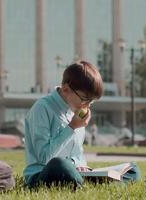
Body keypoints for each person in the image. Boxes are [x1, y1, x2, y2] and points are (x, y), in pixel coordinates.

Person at [23, 60, 103, 189]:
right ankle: (87, 184)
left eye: (91, 102)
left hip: (71, 172)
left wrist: (81, 164)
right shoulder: (42, 108)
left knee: (132, 170)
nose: (87, 106)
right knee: (59, 164)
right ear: (66, 90)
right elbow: (44, 158)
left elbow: (77, 154)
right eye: (84, 99)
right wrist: (71, 127)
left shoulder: (75, 111)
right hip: (42, 174)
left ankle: (85, 180)